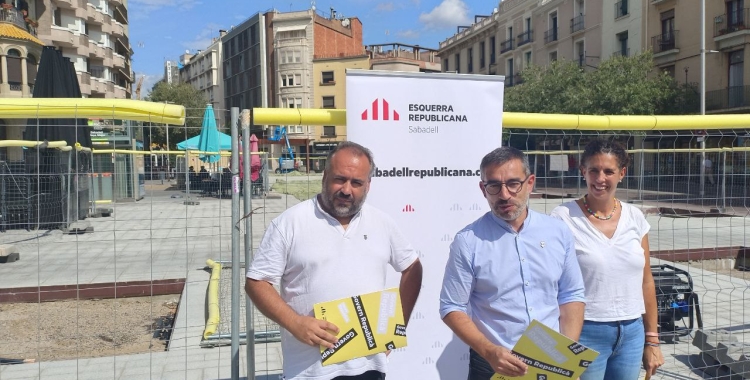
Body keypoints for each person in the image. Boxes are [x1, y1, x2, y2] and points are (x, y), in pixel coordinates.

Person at [246, 141, 423, 380]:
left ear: (368, 186)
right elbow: (257, 282)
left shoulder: (382, 223)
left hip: (369, 365)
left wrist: (396, 328)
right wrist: (295, 323)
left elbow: (412, 267)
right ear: (325, 177)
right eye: (340, 179)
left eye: (356, 183)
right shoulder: (290, 223)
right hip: (309, 370)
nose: (347, 190)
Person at [440, 146, 586, 380]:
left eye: (513, 184)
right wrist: (489, 351)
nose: (504, 194)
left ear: (530, 183)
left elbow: (571, 294)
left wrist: (567, 356)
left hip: (550, 360)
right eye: (494, 185)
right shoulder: (468, 241)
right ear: (483, 189)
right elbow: (451, 306)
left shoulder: (558, 232)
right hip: (492, 364)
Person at [550, 139, 664, 380]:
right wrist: (561, 345)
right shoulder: (563, 217)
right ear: (583, 172)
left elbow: (646, 281)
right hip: (585, 331)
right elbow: (551, 283)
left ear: (621, 173)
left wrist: (652, 339)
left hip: (632, 332)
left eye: (609, 171)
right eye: (593, 170)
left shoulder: (635, 217)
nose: (600, 178)